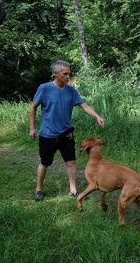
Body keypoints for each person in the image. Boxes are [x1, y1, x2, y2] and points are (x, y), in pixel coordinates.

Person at [29, 60, 105, 201]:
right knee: (45, 163)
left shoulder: (71, 91)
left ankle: (73, 191)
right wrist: (32, 128)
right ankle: (38, 189)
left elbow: (83, 105)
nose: (68, 76)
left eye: (69, 74)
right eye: (65, 74)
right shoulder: (44, 88)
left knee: (71, 162)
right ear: (56, 74)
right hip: (48, 134)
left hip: (66, 133)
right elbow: (33, 107)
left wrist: (97, 116)